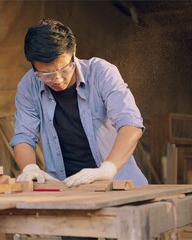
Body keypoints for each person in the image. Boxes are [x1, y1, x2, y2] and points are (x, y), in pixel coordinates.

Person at [10, 18, 147, 190]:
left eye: (64, 69)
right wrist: (30, 168)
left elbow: (131, 123)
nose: (58, 79)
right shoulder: (29, 85)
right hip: (67, 189)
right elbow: (23, 136)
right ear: (34, 67)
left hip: (120, 186)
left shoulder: (101, 73)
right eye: (46, 74)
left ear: (74, 50)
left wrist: (108, 168)